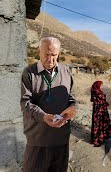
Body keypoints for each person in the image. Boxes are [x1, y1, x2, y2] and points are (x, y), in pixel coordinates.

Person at [20, 37, 76, 172]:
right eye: (47, 54)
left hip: (61, 138)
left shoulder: (66, 72)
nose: (50, 60)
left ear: (59, 54)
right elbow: (25, 103)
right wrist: (44, 116)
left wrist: (72, 108)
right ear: (39, 51)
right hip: (38, 139)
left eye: (54, 55)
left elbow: (72, 98)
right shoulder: (29, 73)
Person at [90, 80, 111, 147]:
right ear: (98, 85)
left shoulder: (96, 91)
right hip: (99, 111)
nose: (101, 86)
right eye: (101, 85)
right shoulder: (96, 91)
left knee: (102, 123)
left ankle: (102, 138)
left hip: (100, 110)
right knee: (99, 123)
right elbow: (101, 98)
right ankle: (98, 139)